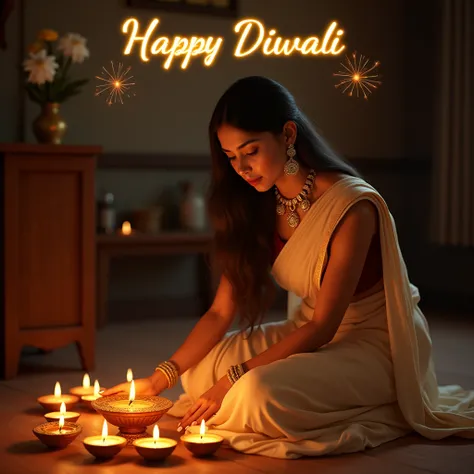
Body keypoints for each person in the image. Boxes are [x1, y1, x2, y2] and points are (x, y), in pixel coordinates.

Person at [102, 76, 474, 459]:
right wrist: (160, 377)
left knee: (255, 391)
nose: (242, 168)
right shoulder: (257, 201)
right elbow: (219, 312)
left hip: (373, 344)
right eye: (231, 157)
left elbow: (323, 326)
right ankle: (252, 401)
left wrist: (234, 378)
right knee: (198, 374)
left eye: (251, 151)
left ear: (288, 134)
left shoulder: (351, 206)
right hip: (307, 331)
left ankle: (368, 401)